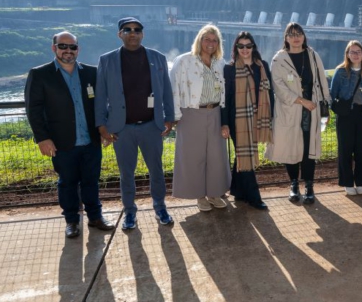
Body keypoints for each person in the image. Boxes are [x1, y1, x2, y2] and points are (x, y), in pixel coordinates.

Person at [24, 31, 114, 238]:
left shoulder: (91, 73)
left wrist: (103, 128)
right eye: (63, 46)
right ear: (54, 47)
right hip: (61, 141)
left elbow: (101, 105)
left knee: (91, 180)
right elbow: (34, 109)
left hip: (90, 139)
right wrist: (42, 138)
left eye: (72, 47)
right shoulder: (39, 74)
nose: (68, 51)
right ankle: (72, 221)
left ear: (78, 49)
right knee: (67, 182)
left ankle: (95, 217)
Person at [95, 17, 175, 230]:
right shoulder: (107, 60)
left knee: (156, 171)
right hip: (122, 129)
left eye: (137, 30)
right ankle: (129, 211)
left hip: (152, 126)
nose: (133, 33)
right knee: (126, 173)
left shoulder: (157, 58)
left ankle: (160, 207)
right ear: (119, 34)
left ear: (143, 33)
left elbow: (166, 90)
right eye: (127, 30)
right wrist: (102, 126)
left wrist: (170, 118)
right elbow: (100, 96)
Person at [265, 23, 330, 204]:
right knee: (291, 148)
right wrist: (302, 101)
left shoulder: (313, 55)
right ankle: (294, 184)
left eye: (299, 33)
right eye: (292, 34)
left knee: (309, 149)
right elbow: (279, 87)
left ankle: (309, 186)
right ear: (286, 38)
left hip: (312, 110)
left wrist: (325, 104)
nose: (296, 37)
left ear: (303, 36)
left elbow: (322, 81)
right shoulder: (279, 59)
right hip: (290, 110)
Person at [170, 24, 231, 212]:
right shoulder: (184, 61)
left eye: (214, 40)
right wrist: (175, 116)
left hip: (214, 113)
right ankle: (200, 196)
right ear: (199, 40)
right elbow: (174, 89)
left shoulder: (220, 64)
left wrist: (224, 119)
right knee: (193, 157)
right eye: (207, 39)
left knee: (216, 157)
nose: (210, 43)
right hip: (191, 114)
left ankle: (214, 193)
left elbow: (225, 93)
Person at [221, 31, 274, 210]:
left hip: (259, 117)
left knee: (242, 154)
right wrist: (225, 122)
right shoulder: (229, 69)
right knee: (247, 155)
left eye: (248, 46)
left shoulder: (263, 66)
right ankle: (254, 197)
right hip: (239, 120)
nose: (245, 49)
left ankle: (237, 190)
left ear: (253, 47)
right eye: (241, 46)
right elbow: (226, 99)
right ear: (236, 48)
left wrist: (271, 115)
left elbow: (270, 93)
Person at [330, 40, 362, 195]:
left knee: (361, 149)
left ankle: (361, 182)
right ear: (347, 54)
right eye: (352, 52)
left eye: (359, 52)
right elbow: (332, 94)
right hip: (345, 114)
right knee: (345, 149)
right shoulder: (340, 71)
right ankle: (347, 182)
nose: (356, 55)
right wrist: (330, 113)